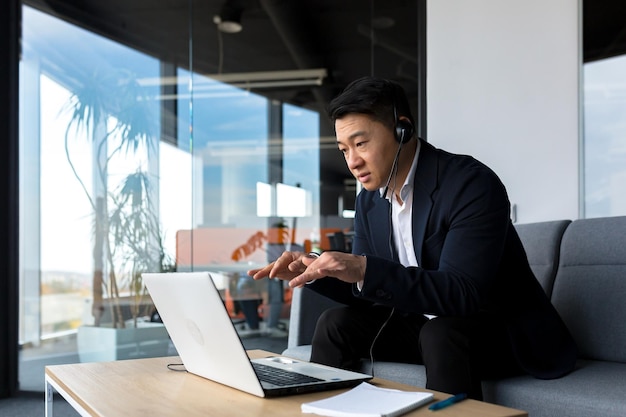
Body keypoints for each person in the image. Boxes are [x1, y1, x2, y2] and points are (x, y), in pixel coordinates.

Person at [248, 76, 577, 400]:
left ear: (402, 129)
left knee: (441, 332)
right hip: (423, 327)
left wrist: (364, 268)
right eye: (344, 149)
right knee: (336, 323)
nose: (352, 161)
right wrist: (315, 274)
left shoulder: (471, 185)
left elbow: (463, 295)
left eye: (361, 144)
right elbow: (369, 291)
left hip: (500, 333)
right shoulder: (370, 199)